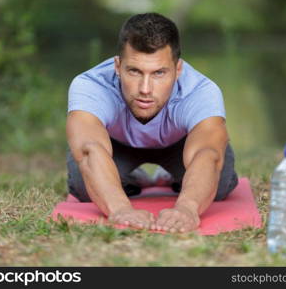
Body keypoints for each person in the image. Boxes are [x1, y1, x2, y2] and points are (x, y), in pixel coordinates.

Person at [66, 12, 238, 233]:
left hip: (180, 144)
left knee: (219, 185)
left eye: (158, 73)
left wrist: (187, 208)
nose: (145, 89)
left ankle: (172, 177)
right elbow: (90, 149)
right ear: (117, 67)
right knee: (83, 186)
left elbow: (208, 153)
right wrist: (120, 209)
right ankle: (132, 178)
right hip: (115, 144)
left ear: (178, 70)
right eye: (135, 71)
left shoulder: (201, 91)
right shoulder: (90, 85)